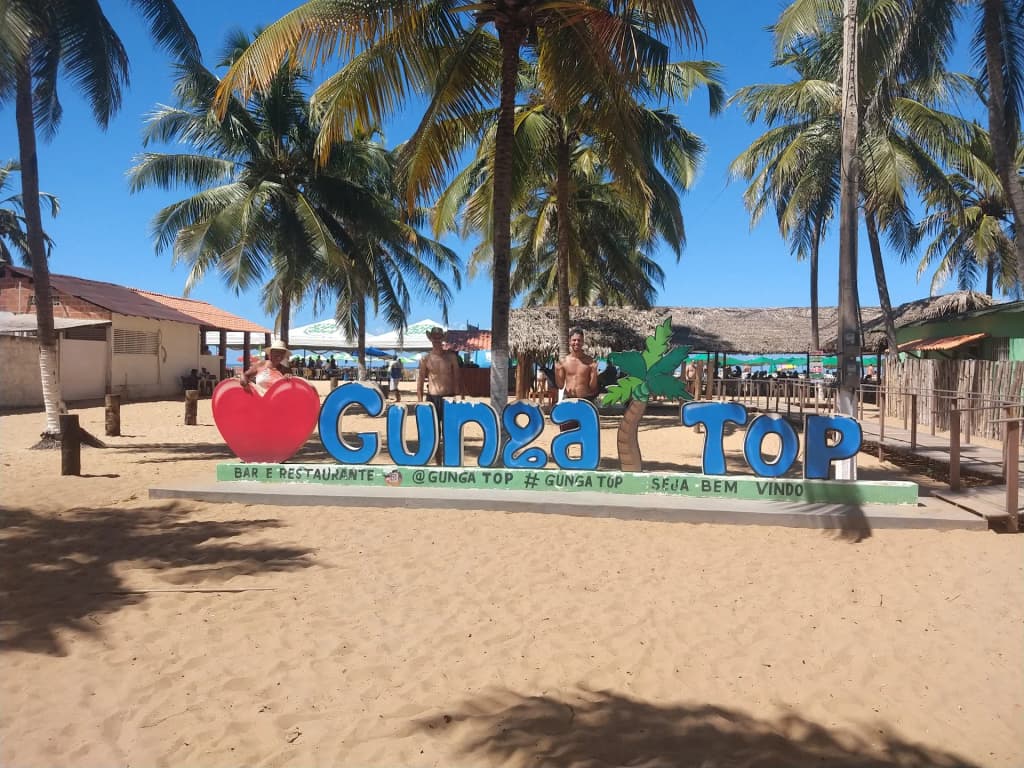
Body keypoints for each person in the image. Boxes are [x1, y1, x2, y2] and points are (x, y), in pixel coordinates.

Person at [417, 327, 463, 459]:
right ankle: (437, 459)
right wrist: (420, 400)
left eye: (439, 337)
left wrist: (458, 396)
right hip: (432, 398)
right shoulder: (425, 359)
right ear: (430, 339)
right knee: (434, 431)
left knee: (450, 431)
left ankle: (450, 459)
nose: (436, 339)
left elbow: (457, 377)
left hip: (449, 398)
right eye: (434, 337)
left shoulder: (451, 357)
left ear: (442, 338)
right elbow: (420, 379)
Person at [555, 328, 598, 401]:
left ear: (583, 342)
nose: (576, 342)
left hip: (585, 399)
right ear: (569, 341)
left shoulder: (590, 362)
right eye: (574, 340)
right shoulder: (564, 362)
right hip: (568, 398)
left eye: (579, 340)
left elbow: (592, 387)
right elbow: (560, 386)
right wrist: (556, 370)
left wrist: (594, 371)